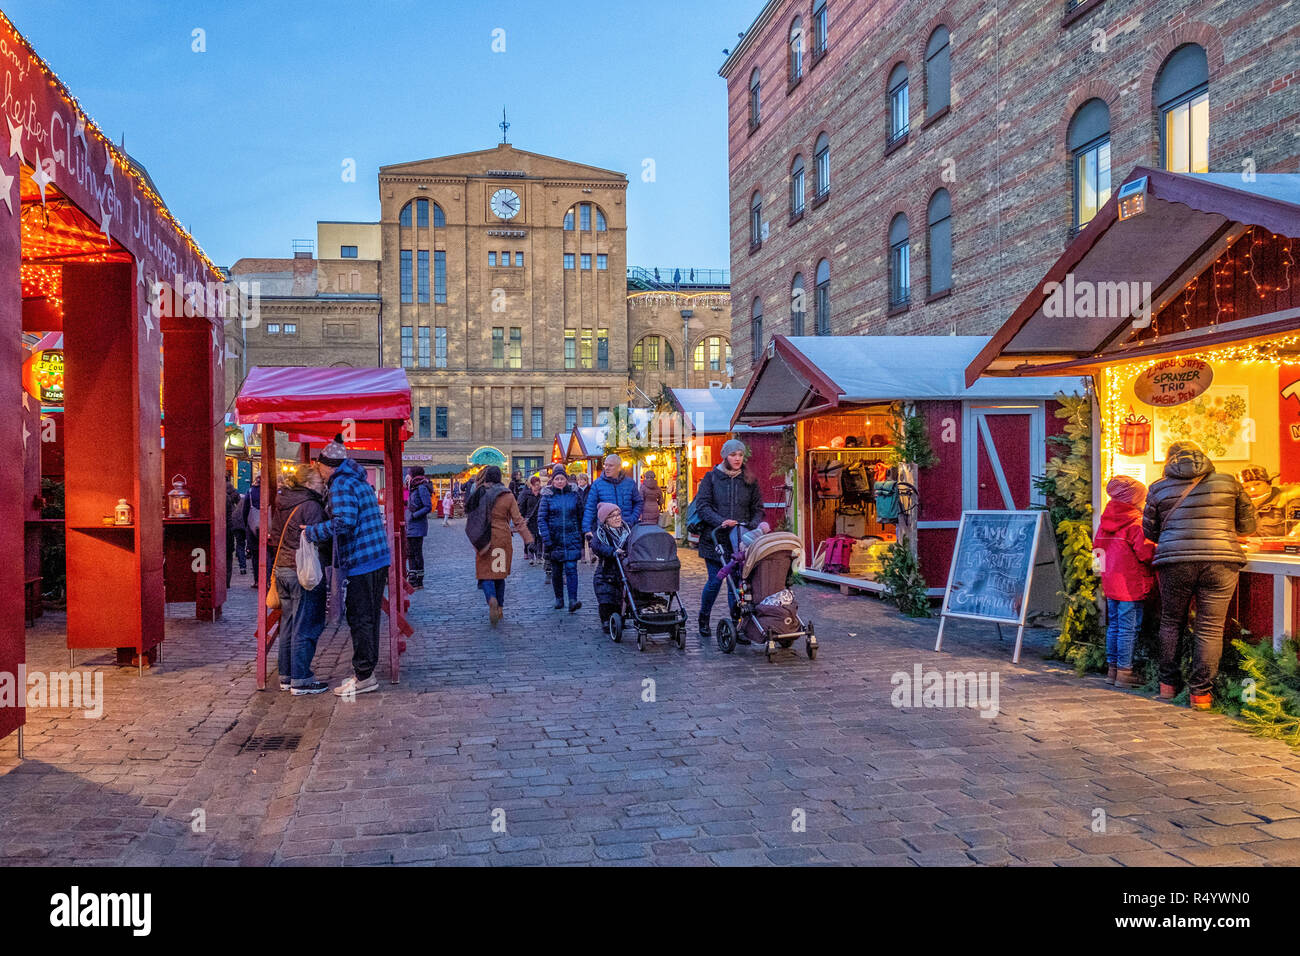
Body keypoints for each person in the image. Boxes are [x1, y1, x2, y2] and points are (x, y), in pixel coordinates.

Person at [1144, 439, 1257, 710]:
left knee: (1171, 622)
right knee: (1210, 628)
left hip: (1174, 562)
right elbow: (1248, 525)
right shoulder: (1228, 482)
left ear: (1169, 461)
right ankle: (1201, 695)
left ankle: (1167, 686)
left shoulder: (1158, 488)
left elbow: (1150, 532)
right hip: (1220, 561)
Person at [302, 436, 392, 698]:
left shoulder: (340, 484)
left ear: (326, 465)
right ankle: (367, 670)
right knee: (370, 617)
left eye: (319, 467)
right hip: (376, 556)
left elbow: (345, 522)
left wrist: (313, 531)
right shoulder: (358, 480)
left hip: (362, 560)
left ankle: (364, 675)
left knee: (359, 617)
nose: (318, 471)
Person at [694, 438, 764, 639]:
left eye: (740, 455)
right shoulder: (712, 478)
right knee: (715, 582)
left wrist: (751, 525)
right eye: (733, 455)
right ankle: (704, 617)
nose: (737, 459)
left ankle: (737, 624)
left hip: (739, 540)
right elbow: (703, 506)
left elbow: (757, 509)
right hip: (715, 539)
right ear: (725, 456)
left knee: (737, 584)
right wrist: (721, 521)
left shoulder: (749, 481)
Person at [270, 465, 329, 695]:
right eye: (319, 482)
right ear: (307, 484)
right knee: (306, 624)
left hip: (282, 569)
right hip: (302, 571)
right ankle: (301, 678)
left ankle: (286, 675)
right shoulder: (311, 505)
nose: (322, 486)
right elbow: (320, 538)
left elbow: (275, 535)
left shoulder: (283, 502)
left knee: (288, 624)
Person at [1095, 476, 1155, 689]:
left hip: (1111, 583)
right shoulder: (1136, 523)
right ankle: (1125, 672)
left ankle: (1112, 670)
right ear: (1134, 500)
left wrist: (1103, 574)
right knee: (1129, 628)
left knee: (1115, 627)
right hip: (1131, 584)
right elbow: (1145, 553)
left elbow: (1097, 550)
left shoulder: (1105, 522)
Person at [467, 465, 533, 625]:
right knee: (499, 575)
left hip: (483, 538)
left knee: (486, 574)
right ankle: (500, 608)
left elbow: (470, 514)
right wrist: (528, 539)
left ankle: (491, 600)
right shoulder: (507, 496)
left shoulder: (479, 492)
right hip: (501, 538)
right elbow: (518, 520)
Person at [538, 465, 584, 612]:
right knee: (557, 571)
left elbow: (580, 515)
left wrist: (581, 534)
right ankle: (559, 598)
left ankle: (572, 600)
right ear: (553, 481)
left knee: (571, 569)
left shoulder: (574, 495)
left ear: (566, 480)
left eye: (562, 478)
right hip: (555, 539)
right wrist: (547, 538)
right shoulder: (547, 496)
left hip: (571, 537)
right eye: (557, 479)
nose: (559, 481)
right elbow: (542, 519)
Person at [582, 453, 643, 539]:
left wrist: (632, 518)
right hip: (605, 532)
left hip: (627, 529)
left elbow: (638, 502)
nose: (607, 468)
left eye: (610, 465)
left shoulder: (630, 483)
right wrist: (587, 529)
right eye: (605, 465)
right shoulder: (597, 484)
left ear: (619, 467)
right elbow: (590, 508)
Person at [589, 502, 630, 628]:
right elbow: (597, 546)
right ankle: (606, 620)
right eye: (612, 516)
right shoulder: (601, 534)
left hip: (623, 570)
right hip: (606, 571)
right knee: (606, 597)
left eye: (618, 514)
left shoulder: (627, 530)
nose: (617, 518)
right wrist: (612, 551)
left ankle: (619, 619)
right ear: (605, 520)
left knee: (621, 597)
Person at [405, 466, 433, 589]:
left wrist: (414, 515)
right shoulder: (413, 487)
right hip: (411, 525)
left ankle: (418, 580)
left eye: (408, 474)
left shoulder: (421, 487)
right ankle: (412, 579)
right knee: (410, 552)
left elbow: (428, 506)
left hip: (417, 525)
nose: (407, 476)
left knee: (416, 552)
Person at [239, 483, 264, 589]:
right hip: (267, 527)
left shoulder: (250, 492)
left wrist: (247, 526)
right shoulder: (271, 491)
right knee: (267, 554)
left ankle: (257, 580)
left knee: (255, 556)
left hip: (253, 528)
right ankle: (267, 580)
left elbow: (245, 512)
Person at [517, 475, 543, 565]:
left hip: (540, 519)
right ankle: (531, 557)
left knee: (540, 539)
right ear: (531, 485)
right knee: (531, 539)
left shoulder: (542, 495)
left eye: (539, 484)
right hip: (530, 519)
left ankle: (539, 556)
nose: (538, 486)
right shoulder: (526, 494)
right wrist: (522, 517)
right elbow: (521, 507)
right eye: (536, 485)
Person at [225, 477, 246, 587]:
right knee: (230, 553)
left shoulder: (220, 495)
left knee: (237, 547)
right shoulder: (231, 495)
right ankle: (227, 580)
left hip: (230, 525)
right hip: (232, 525)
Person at [574, 472, 593, 563]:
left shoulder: (591, 490)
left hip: (589, 514)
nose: (580, 481)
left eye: (582, 479)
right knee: (580, 536)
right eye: (579, 480)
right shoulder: (575, 491)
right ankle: (582, 557)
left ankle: (591, 554)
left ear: (586, 480)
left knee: (590, 535)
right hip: (579, 516)